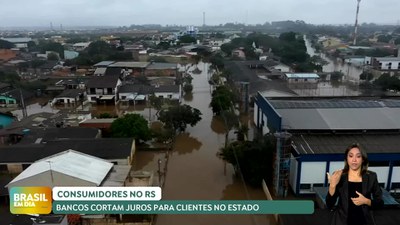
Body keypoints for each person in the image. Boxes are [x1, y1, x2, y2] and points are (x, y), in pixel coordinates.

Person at [326, 143, 384, 225]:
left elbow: (380, 203)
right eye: (351, 156)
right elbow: (329, 205)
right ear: (347, 158)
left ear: (363, 159)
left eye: (358, 156)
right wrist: (332, 186)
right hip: (342, 222)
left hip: (364, 221)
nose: (354, 160)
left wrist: (366, 201)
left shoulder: (371, 177)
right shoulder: (339, 175)